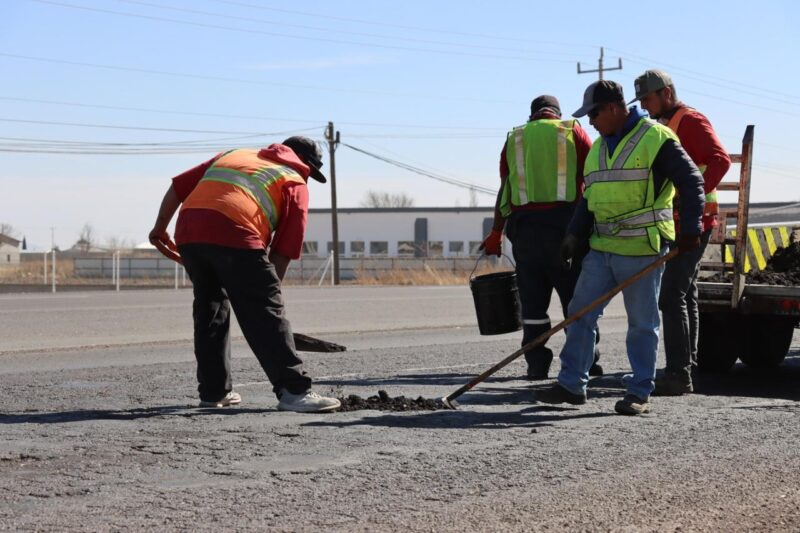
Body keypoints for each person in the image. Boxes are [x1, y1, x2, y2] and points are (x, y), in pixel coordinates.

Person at [535, 80, 705, 415]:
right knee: (580, 313)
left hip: (643, 248)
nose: (591, 121)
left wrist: (690, 230)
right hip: (602, 249)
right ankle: (572, 385)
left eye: (594, 113)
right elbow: (589, 197)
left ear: (614, 108)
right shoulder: (598, 146)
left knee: (641, 323)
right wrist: (573, 234)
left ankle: (639, 392)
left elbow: (692, 181)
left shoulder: (657, 138)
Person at [148, 136, 341, 413]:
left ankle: (214, 392)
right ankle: (294, 391)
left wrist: (159, 227)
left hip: (189, 230)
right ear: (306, 164)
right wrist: (268, 300)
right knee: (263, 312)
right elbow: (283, 250)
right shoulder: (294, 180)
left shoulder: (235, 155)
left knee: (210, 309)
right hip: (235, 231)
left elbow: (179, 187)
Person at [480, 95, 602, 380]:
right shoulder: (572, 131)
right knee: (576, 300)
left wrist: (496, 233)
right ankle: (586, 361)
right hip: (567, 230)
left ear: (533, 114)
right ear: (556, 114)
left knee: (533, 302)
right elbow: (596, 175)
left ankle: (536, 363)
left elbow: (504, 189)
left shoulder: (515, 138)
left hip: (525, 233)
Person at [629, 70, 731, 396]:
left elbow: (720, 160)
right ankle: (688, 366)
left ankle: (678, 373)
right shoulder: (667, 124)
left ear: (666, 94)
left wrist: (690, 199)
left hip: (694, 222)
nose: (644, 105)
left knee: (670, 295)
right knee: (685, 294)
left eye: (647, 98)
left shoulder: (691, 121)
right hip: (682, 221)